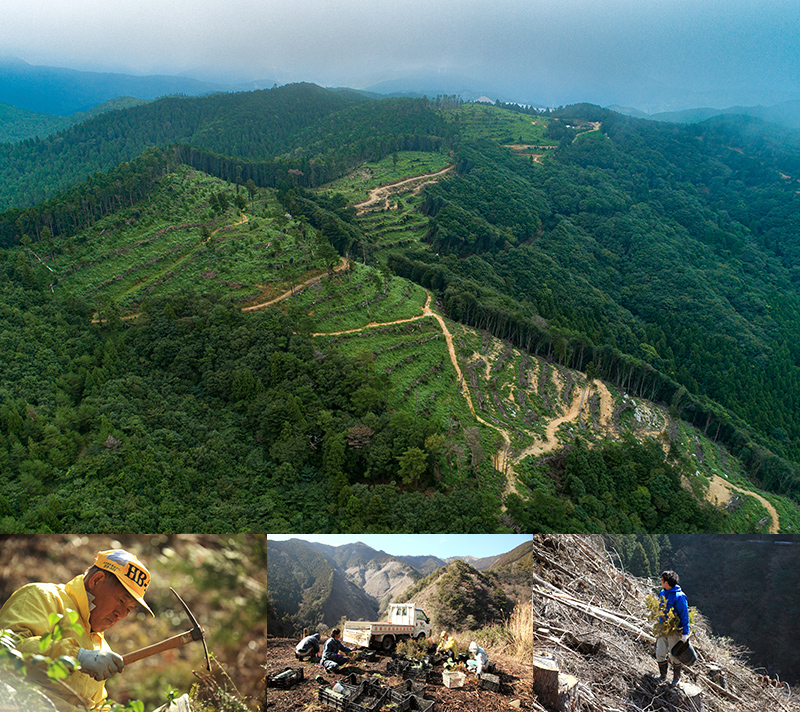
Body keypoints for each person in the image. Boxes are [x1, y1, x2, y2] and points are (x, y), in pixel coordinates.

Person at [0, 549, 153, 711]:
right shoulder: (41, 597)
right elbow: (7, 652)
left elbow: (96, 706)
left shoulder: (100, 648)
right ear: (96, 580)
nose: (121, 614)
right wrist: (76, 657)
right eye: (122, 600)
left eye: (129, 609)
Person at [655, 570, 690, 686]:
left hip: (674, 630)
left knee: (674, 655)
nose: (660, 581)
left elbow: (684, 615)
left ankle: (676, 678)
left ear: (666, 582)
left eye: (662, 580)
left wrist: (685, 633)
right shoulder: (662, 593)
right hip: (662, 629)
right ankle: (662, 676)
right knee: (660, 652)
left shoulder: (679, 597)